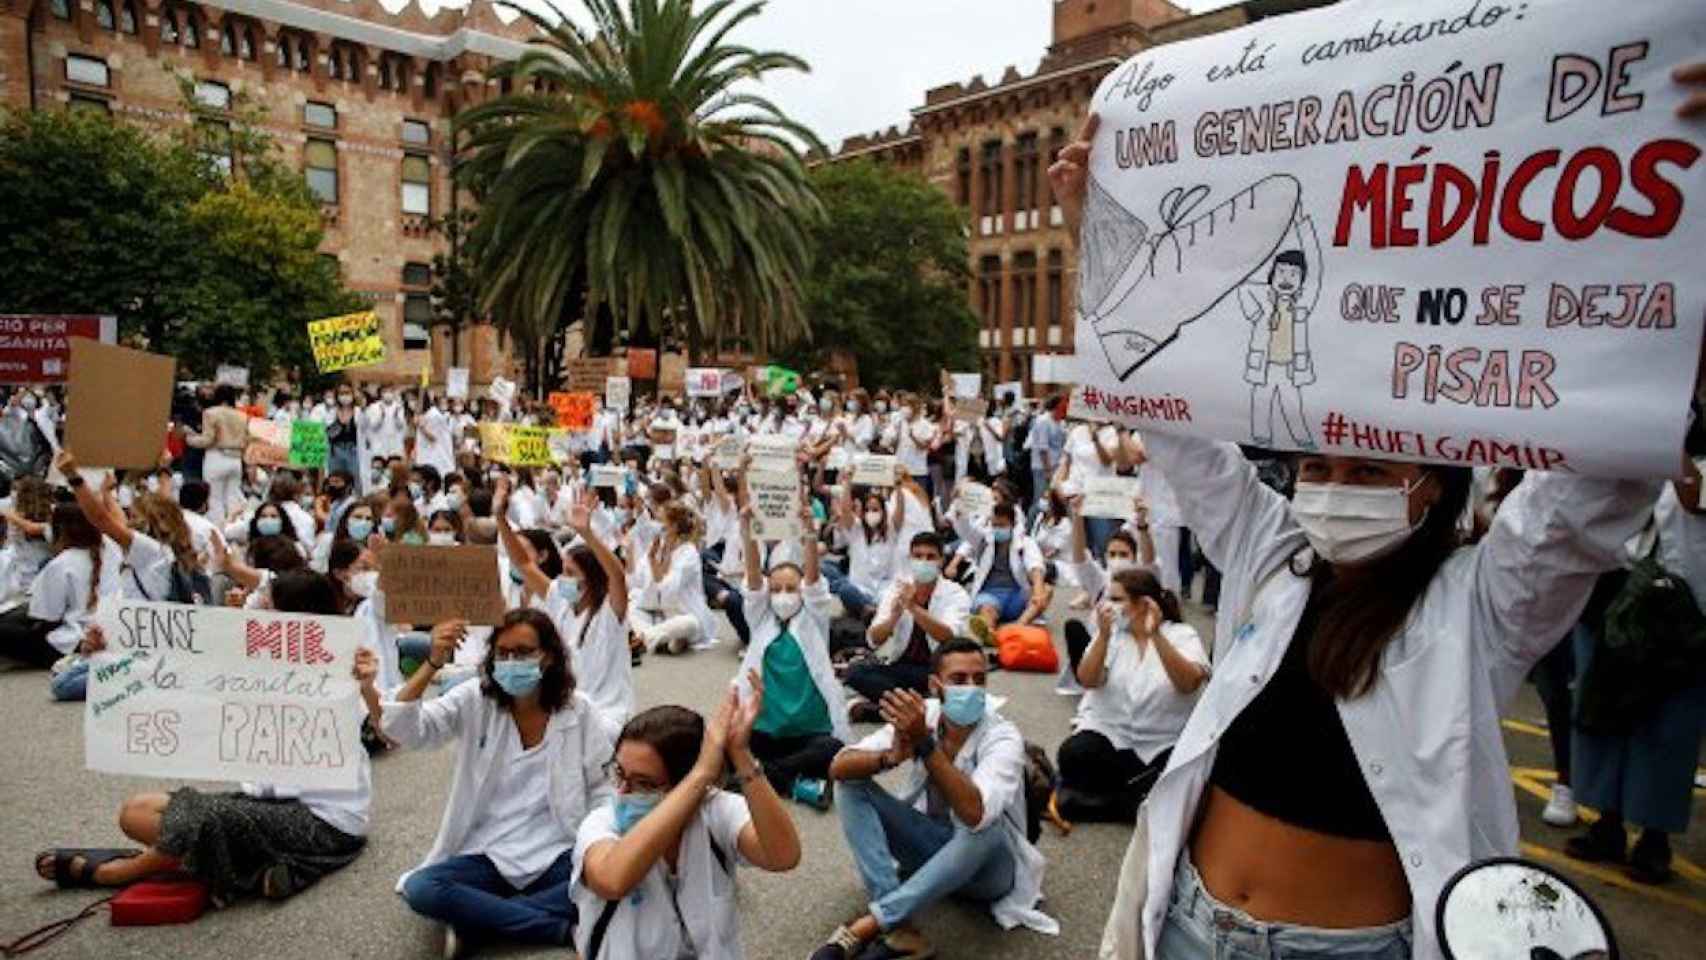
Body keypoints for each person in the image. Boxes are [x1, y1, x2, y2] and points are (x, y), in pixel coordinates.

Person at [1048, 114, 1666, 960]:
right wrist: (1095, 225)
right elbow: (1164, 409)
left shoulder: (1485, 602)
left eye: (1370, 474)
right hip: (1190, 923)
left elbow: (1601, 472)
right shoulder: (1272, 555)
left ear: (1435, 489)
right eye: (1321, 467)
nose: (1335, 489)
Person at [36, 571, 376, 903]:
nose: (258, 612)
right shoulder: (256, 663)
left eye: (268, 607)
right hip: (266, 805)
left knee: (191, 824)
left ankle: (115, 873)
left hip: (324, 821)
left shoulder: (341, 669)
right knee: (136, 811)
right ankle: (256, 866)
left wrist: (366, 685)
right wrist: (107, 651)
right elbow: (168, 670)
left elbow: (380, 719)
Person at [382, 608, 615, 957]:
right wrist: (432, 663)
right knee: (423, 888)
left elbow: (603, 787)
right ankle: (559, 928)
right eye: (502, 653)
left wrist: (600, 844)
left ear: (548, 656)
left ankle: (477, 920)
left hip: (556, 851)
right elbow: (406, 730)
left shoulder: (579, 711)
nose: (510, 662)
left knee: (614, 877)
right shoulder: (475, 699)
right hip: (487, 851)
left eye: (523, 652)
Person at [811, 639, 1056, 960]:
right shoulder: (925, 714)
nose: (971, 688)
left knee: (985, 828)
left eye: (979, 679)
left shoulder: (1002, 736)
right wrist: (889, 756)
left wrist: (925, 745)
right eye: (958, 680)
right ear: (935, 685)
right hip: (932, 851)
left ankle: (872, 924)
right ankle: (900, 930)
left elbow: (975, 813)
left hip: (988, 873)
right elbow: (838, 767)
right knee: (850, 784)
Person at [571, 692, 803, 960]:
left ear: (689, 787)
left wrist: (740, 755)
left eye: (644, 783)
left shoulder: (715, 811)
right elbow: (612, 880)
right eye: (620, 774)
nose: (622, 792)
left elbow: (783, 856)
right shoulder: (601, 822)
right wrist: (703, 772)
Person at [1564, 472, 1706, 884]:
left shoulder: (1677, 439)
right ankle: (1606, 822)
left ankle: (1654, 836)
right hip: (1618, 585)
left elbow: (1694, 495)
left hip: (1685, 605)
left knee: (1669, 725)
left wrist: (1667, 436)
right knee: (1601, 708)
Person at [1056, 568, 1206, 823]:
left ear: (1143, 603)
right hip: (1111, 735)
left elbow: (1188, 683)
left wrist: (1155, 635)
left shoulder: (1181, 635)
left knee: (1185, 777)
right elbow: (1088, 680)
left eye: (1116, 599)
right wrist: (1102, 638)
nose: (1107, 605)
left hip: (1163, 740)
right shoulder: (1112, 636)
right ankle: (1137, 803)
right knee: (1073, 755)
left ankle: (1115, 801)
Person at [735, 498, 847, 810]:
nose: (783, 596)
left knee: (834, 750)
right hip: (765, 730)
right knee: (724, 746)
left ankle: (765, 778)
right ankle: (793, 782)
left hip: (809, 732)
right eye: (777, 589)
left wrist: (810, 532)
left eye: (791, 588)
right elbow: (754, 580)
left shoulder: (813, 619)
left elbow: (813, 581)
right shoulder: (761, 620)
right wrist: (747, 531)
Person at [959, 502, 1047, 647]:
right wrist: (959, 505)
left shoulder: (1025, 543)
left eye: (1002, 525)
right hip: (990, 595)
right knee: (987, 610)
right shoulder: (983, 540)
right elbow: (964, 529)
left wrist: (1038, 591)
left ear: (1012, 524)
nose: (997, 529)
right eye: (994, 525)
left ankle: (1017, 628)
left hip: (1017, 596)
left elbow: (1035, 566)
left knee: (1047, 590)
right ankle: (989, 632)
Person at [181, 383, 248, 524]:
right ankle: (234, 528)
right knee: (233, 497)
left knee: (214, 498)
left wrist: (188, 439)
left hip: (216, 457)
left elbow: (207, 440)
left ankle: (218, 529)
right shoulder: (242, 416)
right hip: (236, 460)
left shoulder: (211, 413)